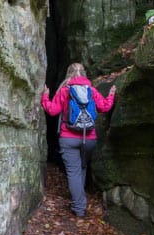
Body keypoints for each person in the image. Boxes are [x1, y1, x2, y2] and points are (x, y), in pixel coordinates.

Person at [41, 63, 116, 217]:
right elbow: (105, 108)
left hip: (68, 138)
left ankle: (79, 207)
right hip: (89, 139)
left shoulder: (64, 91)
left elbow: (52, 110)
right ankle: (79, 199)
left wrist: (44, 96)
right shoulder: (91, 90)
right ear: (84, 74)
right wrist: (112, 95)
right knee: (81, 168)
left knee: (74, 172)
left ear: (69, 74)